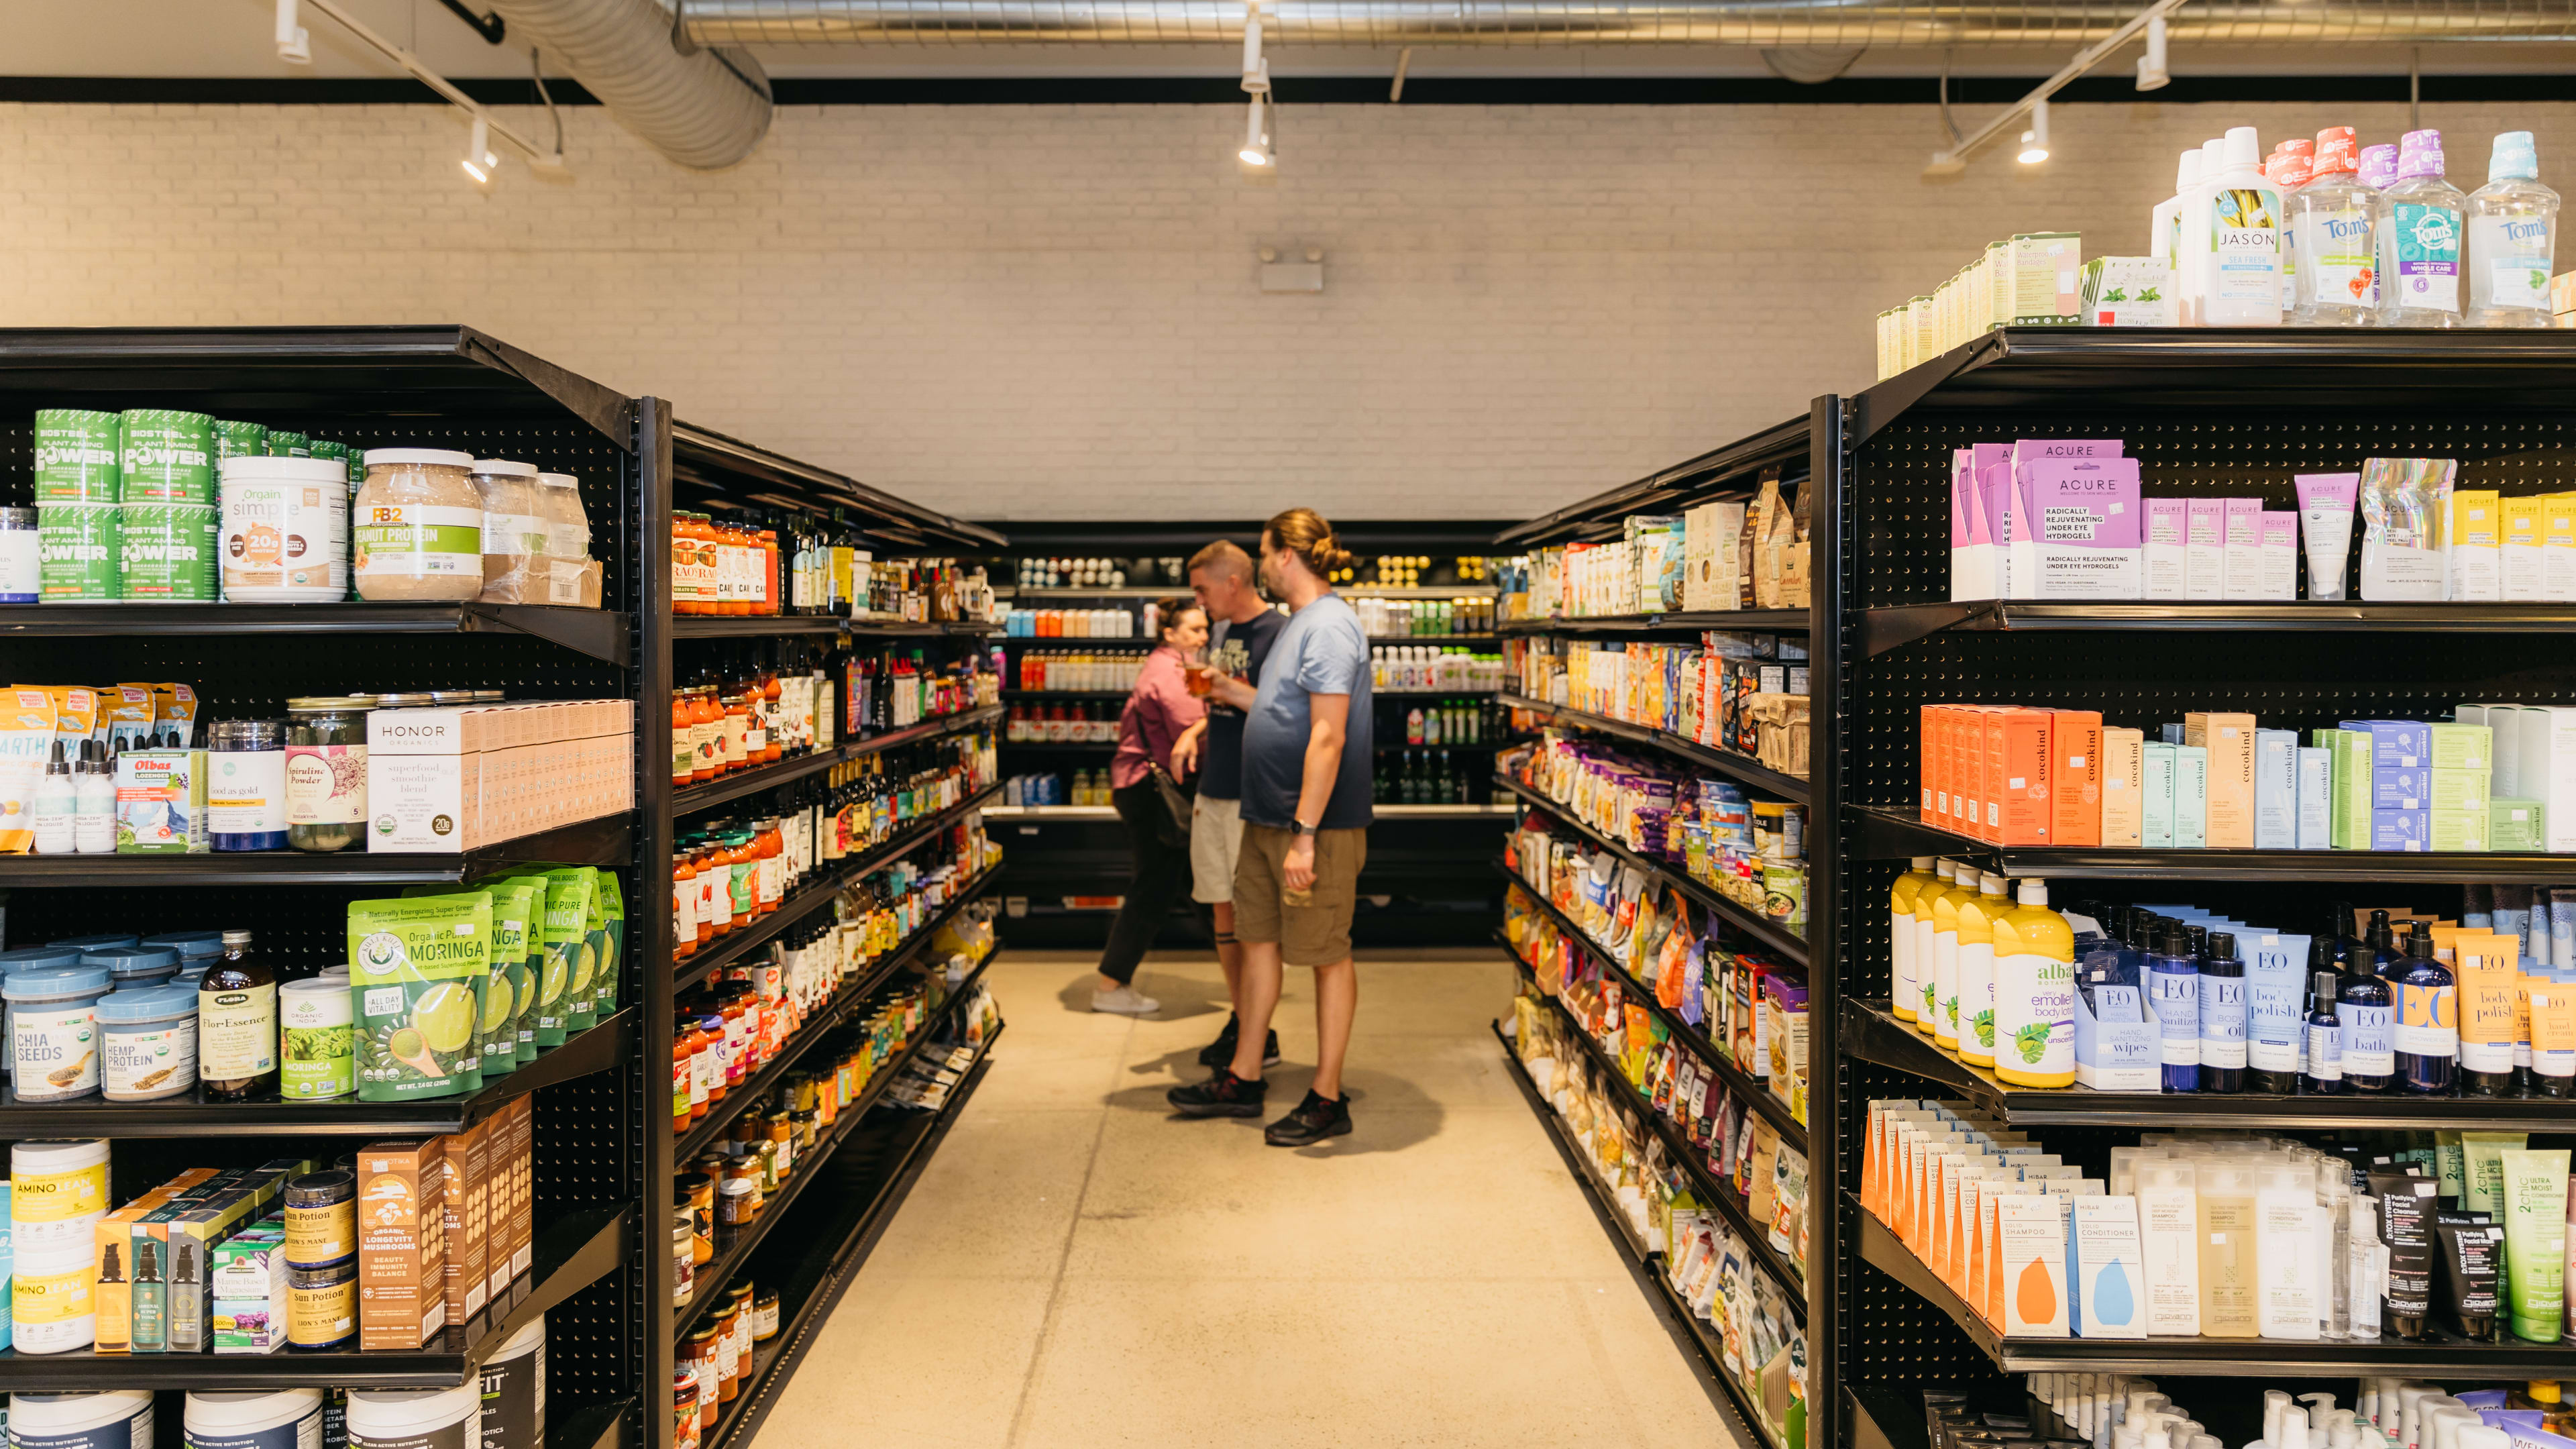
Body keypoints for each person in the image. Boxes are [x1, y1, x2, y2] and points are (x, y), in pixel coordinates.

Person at [1167, 508, 1371, 1146]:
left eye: (1263, 551)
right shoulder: (1298, 627)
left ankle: (1327, 1096)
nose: (1257, 564)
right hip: (1264, 815)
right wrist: (1229, 692)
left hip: (1310, 823)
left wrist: (1306, 831)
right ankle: (1244, 1074)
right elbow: (1283, 709)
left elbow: (1329, 735)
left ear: (1288, 554)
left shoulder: (1331, 626)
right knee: (1257, 941)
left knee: (1326, 954)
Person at [1176, 539, 1287, 1071]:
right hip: (1213, 787)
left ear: (1232, 583)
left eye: (1202, 589)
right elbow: (1224, 700)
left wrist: (1224, 687)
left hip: (1253, 794)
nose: (1198, 602)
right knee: (1220, 909)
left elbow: (1288, 712)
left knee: (1255, 922)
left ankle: (1257, 1031)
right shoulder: (1219, 632)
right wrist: (1196, 727)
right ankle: (1245, 1019)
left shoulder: (1282, 634)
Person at [1088, 597, 1208, 1015]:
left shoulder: (1171, 665)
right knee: (1155, 885)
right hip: (1150, 790)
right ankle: (1109, 985)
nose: (1204, 636)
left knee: (1191, 881)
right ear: (1169, 633)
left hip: (1147, 786)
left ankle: (1247, 969)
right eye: (1194, 630)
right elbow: (1189, 719)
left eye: (1205, 629)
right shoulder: (1170, 671)